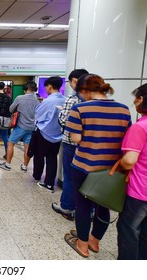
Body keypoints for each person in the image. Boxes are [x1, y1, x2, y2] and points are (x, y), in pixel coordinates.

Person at [64, 74, 131, 258]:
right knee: (103, 206)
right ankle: (94, 242)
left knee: (83, 206)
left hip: (85, 165)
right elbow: (127, 139)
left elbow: (76, 138)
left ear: (84, 91)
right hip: (111, 170)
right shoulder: (124, 110)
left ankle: (82, 245)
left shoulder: (79, 109)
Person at [52, 69, 89, 220]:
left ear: (75, 81)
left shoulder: (72, 100)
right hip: (88, 145)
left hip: (71, 142)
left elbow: (64, 121)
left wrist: (61, 113)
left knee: (69, 175)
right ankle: (88, 210)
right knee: (87, 178)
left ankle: (67, 206)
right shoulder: (94, 101)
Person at [117, 83, 147, 260]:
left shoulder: (140, 127)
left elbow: (129, 161)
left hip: (140, 191)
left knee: (129, 231)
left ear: (141, 99)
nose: (134, 102)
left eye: (135, 97)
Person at [33, 76, 66, 192]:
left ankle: (37, 176)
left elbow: (37, 115)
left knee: (39, 155)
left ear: (50, 87)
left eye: (46, 87)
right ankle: (49, 183)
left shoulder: (47, 101)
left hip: (44, 133)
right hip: (58, 135)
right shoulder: (65, 100)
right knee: (52, 158)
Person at [0, 81, 40, 171]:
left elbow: (10, 109)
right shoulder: (38, 99)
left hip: (21, 126)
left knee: (10, 143)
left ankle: (8, 164)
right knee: (27, 147)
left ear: (26, 89)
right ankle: (24, 166)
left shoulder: (20, 98)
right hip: (32, 127)